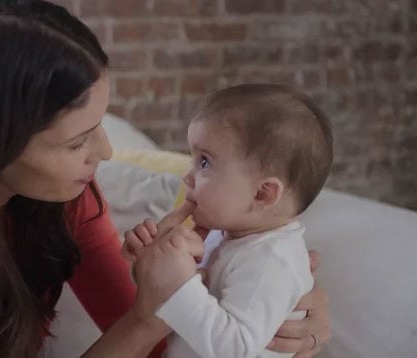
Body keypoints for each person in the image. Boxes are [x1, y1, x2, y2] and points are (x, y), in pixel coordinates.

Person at [0, 1, 330, 357]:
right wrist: (155, 311)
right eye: (76, 141)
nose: (104, 152)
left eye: (100, 126)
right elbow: (144, 327)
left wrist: (269, 310)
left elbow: (150, 345)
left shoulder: (65, 194)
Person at [123, 84, 333, 357]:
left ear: (262, 193)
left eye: (205, 162)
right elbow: (182, 311)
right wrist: (150, 266)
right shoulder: (228, 235)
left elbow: (236, 349)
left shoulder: (271, 260)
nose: (187, 177)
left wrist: (177, 285)